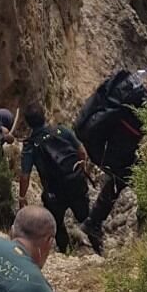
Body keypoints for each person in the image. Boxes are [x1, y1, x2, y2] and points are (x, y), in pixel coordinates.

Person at [76, 68, 147, 253]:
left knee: (118, 180)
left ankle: (92, 223)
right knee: (144, 182)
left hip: (105, 147)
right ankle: (144, 230)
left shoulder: (136, 89)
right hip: (111, 152)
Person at [18, 104, 94, 254]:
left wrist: (22, 197)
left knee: (57, 223)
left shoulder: (30, 145)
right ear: (44, 115)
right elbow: (82, 152)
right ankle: (98, 247)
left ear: (28, 123)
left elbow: (25, 176)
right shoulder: (61, 130)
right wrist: (81, 171)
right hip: (75, 184)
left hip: (54, 192)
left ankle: (65, 252)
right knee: (86, 218)